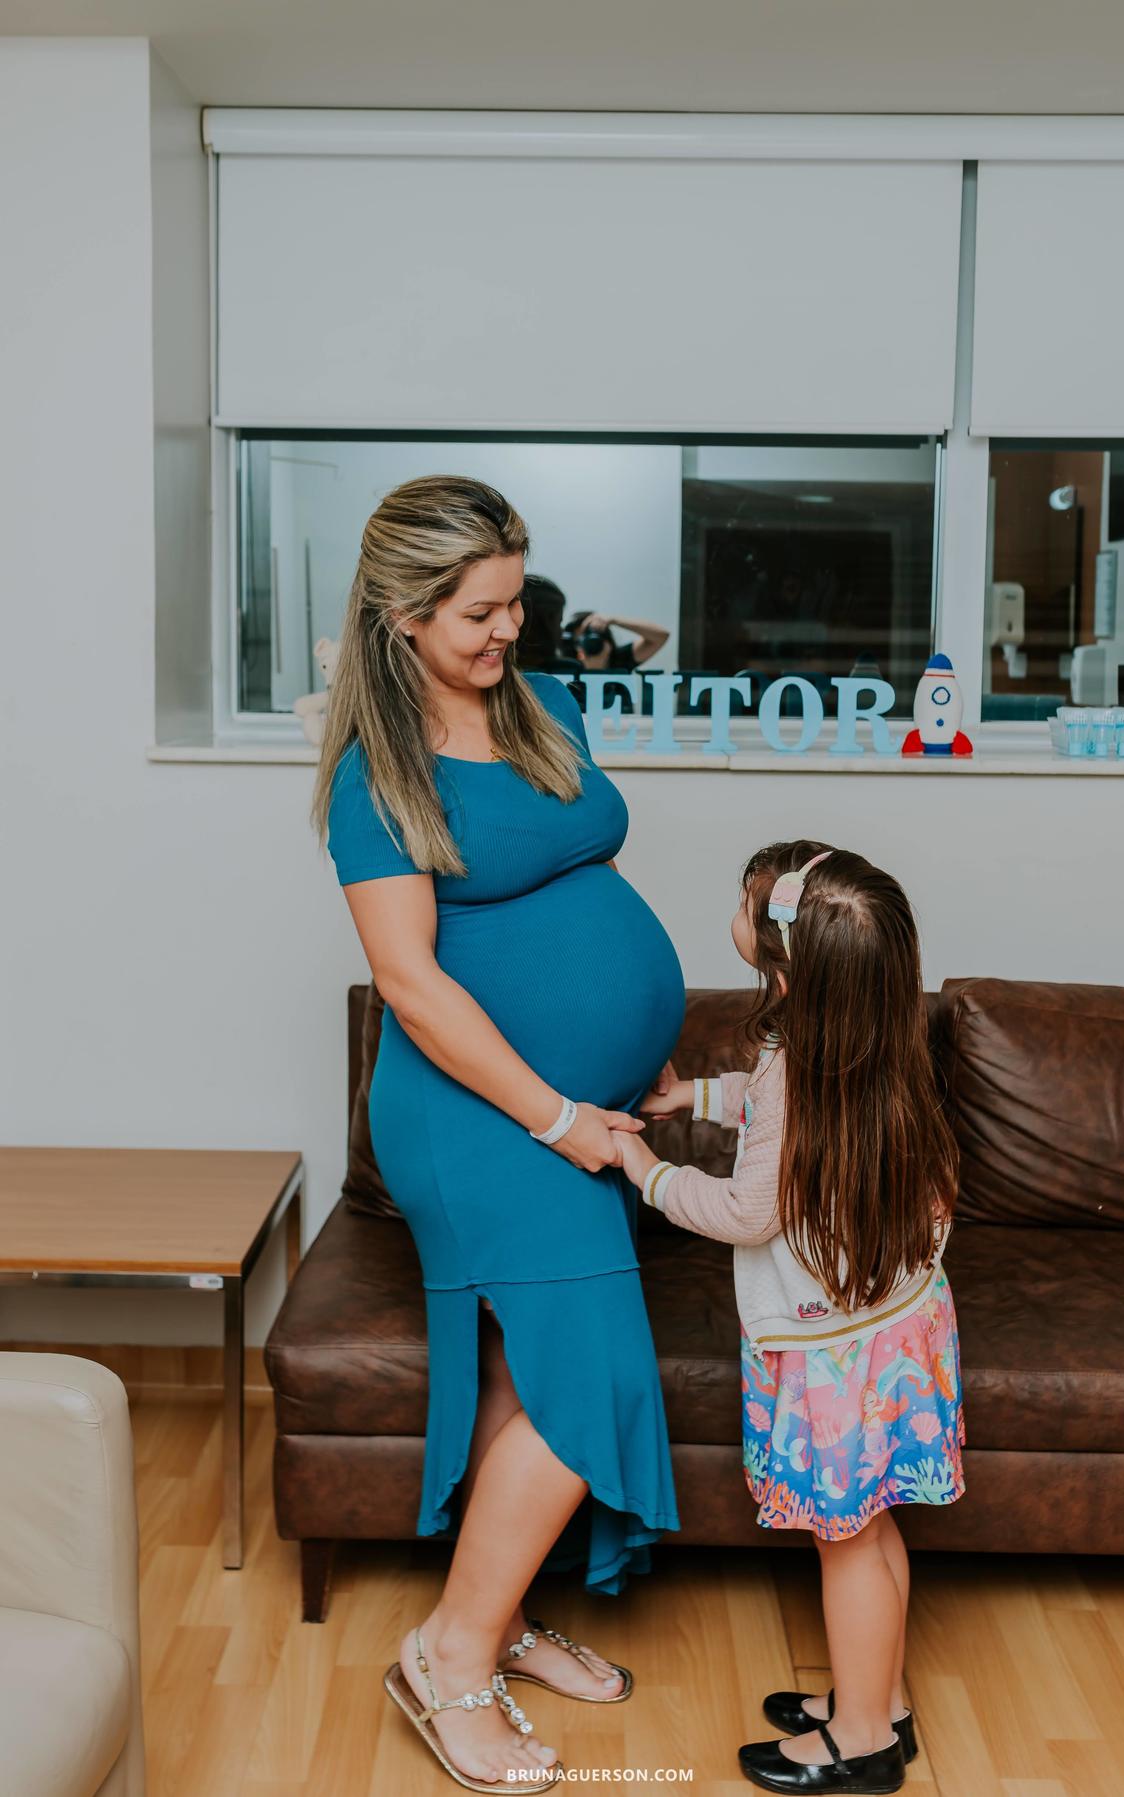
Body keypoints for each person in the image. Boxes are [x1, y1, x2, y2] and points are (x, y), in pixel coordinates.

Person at [312, 474, 686, 1793]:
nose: (505, 628)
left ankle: (504, 1605)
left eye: (515, 597)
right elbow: (412, 982)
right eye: (476, 610)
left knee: (533, 1379)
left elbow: (577, 880)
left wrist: (643, 1053)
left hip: (573, 1105)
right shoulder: (378, 777)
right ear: (403, 615)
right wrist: (560, 1111)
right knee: (590, 1383)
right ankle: (449, 1659)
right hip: (477, 1118)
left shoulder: (542, 706)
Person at [614, 842, 965, 1796]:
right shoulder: (864, 1037)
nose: (738, 906)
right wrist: (698, 1096)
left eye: (750, 901)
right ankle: (878, 1700)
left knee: (844, 1541)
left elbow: (745, 1210)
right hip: (898, 1330)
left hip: (832, 1357)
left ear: (778, 954)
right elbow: (773, 1109)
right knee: (874, 1530)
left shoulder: (802, 1065)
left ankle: (858, 1742)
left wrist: (645, 1169)